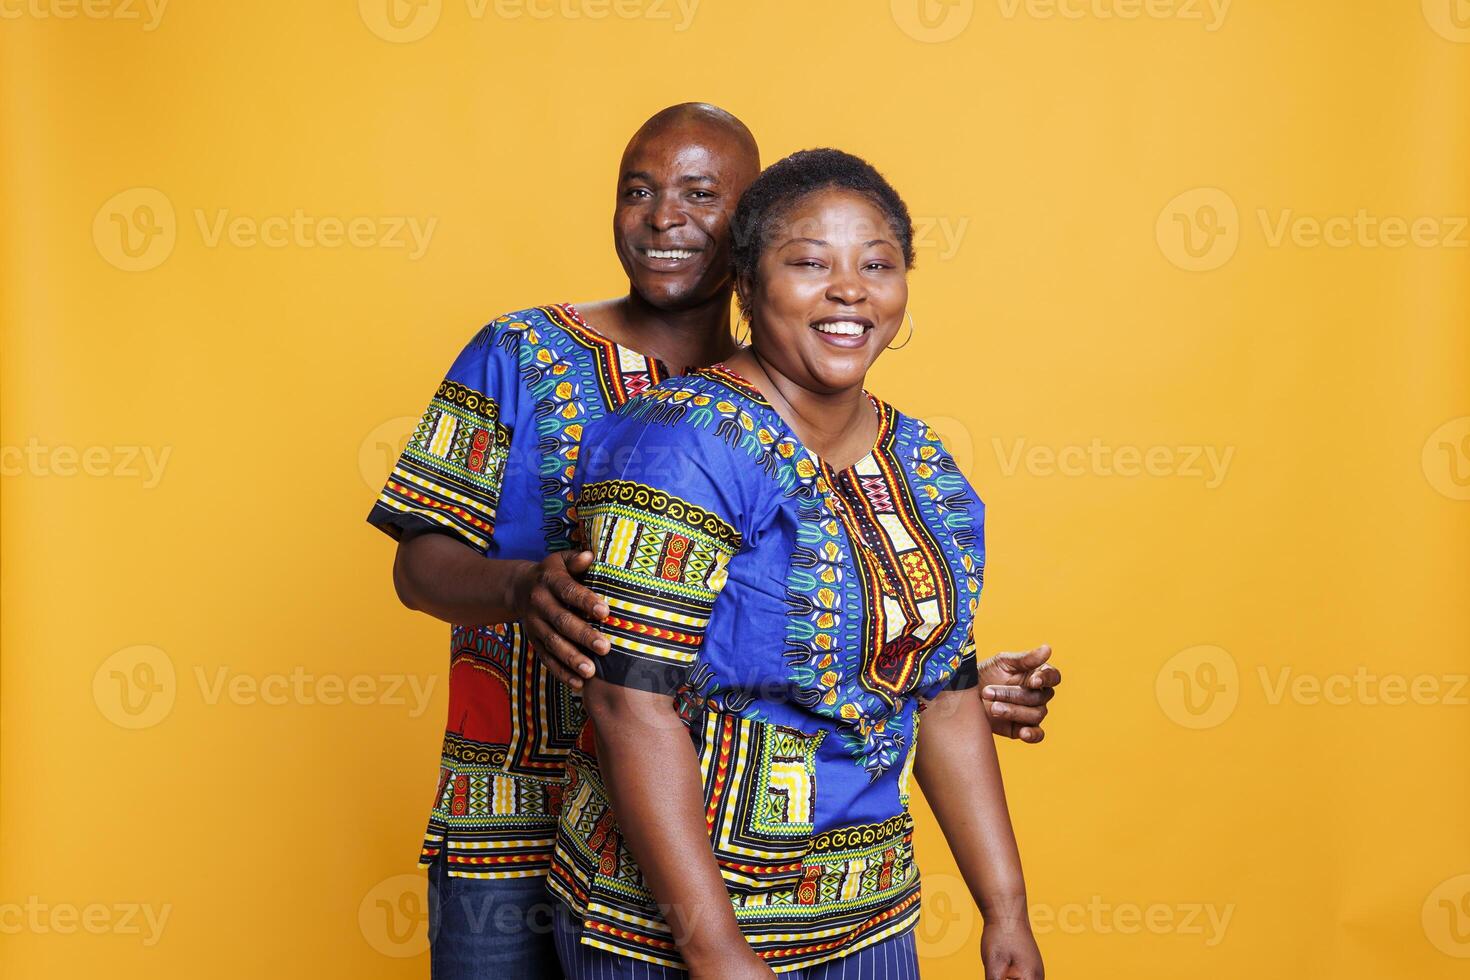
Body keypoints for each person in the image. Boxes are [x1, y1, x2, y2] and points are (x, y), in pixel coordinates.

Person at [368, 105, 1059, 977]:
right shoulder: (530, 357)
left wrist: (924, 678)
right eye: (639, 192)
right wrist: (517, 590)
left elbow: (836, 636)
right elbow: (417, 567)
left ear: (740, 239)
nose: (666, 217)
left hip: (757, 857)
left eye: (700, 194)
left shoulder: (850, 413)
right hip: (522, 802)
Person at [549, 149, 1043, 979]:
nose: (850, 289)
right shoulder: (678, 445)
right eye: (810, 262)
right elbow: (627, 703)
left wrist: (1006, 911)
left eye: (877, 265)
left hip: (869, 917)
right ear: (746, 284)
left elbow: (947, 696)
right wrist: (715, 951)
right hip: (670, 928)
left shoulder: (924, 464)